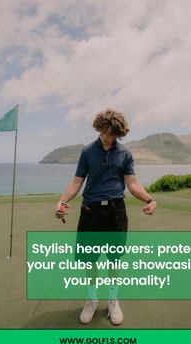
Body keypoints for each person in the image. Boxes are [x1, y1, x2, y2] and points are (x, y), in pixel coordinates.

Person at [55, 108, 157, 325]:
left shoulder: (125, 154)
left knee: (114, 260)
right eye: (102, 131)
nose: (105, 136)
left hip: (115, 212)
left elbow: (132, 183)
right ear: (98, 127)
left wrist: (149, 200)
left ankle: (113, 300)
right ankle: (91, 300)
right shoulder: (87, 152)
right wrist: (63, 201)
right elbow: (76, 182)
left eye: (110, 133)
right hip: (90, 211)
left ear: (118, 133)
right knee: (89, 261)